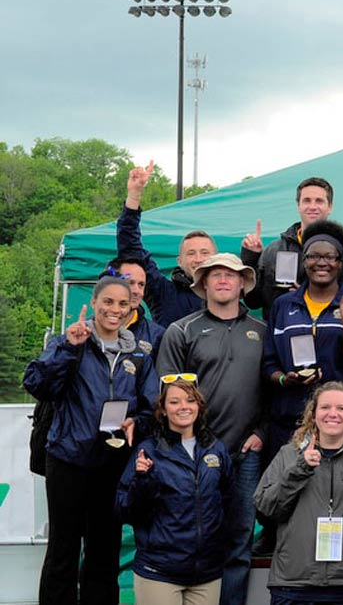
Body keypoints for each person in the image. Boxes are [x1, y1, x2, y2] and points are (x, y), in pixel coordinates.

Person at [26, 277, 158, 605]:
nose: (115, 310)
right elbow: (37, 384)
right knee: (64, 548)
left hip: (111, 462)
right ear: (95, 303)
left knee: (105, 548)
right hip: (68, 458)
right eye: (108, 302)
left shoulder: (140, 354)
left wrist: (135, 421)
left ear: (132, 309)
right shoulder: (71, 340)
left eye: (122, 304)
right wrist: (69, 348)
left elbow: (150, 406)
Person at [156, 252, 269, 605]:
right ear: (203, 284)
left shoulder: (262, 332)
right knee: (197, 536)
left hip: (246, 451)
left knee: (239, 540)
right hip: (196, 452)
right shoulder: (182, 330)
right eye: (215, 275)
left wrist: (262, 433)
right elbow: (167, 394)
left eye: (230, 275)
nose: (223, 280)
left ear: (242, 283)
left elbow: (276, 393)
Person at [254, 383, 343, 605]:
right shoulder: (290, 454)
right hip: (294, 583)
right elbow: (266, 508)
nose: (333, 414)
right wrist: (300, 469)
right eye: (325, 407)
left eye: (341, 408)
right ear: (313, 414)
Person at [263, 221, 343, 455]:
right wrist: (286, 379)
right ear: (304, 261)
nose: (322, 262)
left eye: (330, 256)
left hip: (339, 423)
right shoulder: (283, 306)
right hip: (289, 420)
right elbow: (268, 364)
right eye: (313, 256)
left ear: (340, 262)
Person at [116, 380, 233, 605]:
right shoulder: (148, 451)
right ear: (163, 409)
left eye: (190, 400)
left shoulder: (216, 449)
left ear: (199, 406)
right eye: (174, 401)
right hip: (160, 572)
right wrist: (143, 480)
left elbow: (227, 500)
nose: (184, 407)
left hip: (206, 573)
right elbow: (125, 510)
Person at [117, 159, 214, 326]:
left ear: (216, 257)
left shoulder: (229, 294)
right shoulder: (163, 293)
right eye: (191, 253)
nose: (198, 259)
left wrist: (252, 255)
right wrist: (134, 196)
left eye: (204, 253)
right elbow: (131, 249)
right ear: (180, 261)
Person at [240, 177, 341, 312]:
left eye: (319, 201)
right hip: (282, 328)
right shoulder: (274, 250)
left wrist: (314, 296)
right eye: (306, 201)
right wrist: (251, 258)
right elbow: (253, 301)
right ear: (298, 205)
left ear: (330, 207)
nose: (312, 206)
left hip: (329, 329)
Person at [100, 257, 167, 352]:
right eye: (130, 283)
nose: (136, 291)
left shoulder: (156, 335)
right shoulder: (86, 331)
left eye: (141, 285)